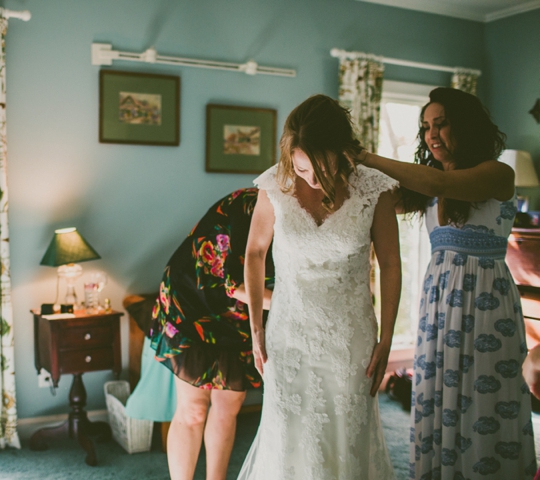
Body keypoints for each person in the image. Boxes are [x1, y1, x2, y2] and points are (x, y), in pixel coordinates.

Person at [350, 87, 537, 479]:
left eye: (441, 124)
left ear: (465, 128)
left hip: (485, 303)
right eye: (426, 127)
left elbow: (440, 185)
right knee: (439, 390)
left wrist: (365, 155)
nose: (431, 134)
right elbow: (384, 200)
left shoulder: (497, 172)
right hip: (440, 303)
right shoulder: (428, 187)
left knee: (482, 398)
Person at [239, 94, 401, 479]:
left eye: (321, 169)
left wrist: (387, 337)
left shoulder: (372, 189)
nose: (310, 180)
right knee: (287, 433)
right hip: (288, 333)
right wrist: (256, 329)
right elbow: (254, 253)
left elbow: (392, 264)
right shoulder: (275, 185)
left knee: (345, 436)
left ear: (343, 152)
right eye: (302, 169)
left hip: (350, 337)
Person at [147, 188, 274, 480]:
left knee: (229, 407)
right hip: (194, 300)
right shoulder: (251, 205)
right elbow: (233, 284)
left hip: (243, 315)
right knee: (193, 410)